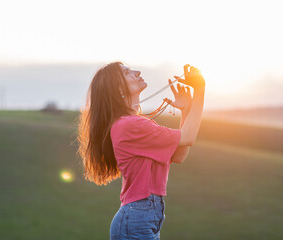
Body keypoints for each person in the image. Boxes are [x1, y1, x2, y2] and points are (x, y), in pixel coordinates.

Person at [78, 62, 205, 239]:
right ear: (117, 89)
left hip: (145, 217)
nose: (136, 72)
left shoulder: (132, 124)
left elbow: (179, 155)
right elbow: (188, 137)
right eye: (127, 72)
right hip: (138, 218)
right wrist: (200, 90)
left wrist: (185, 110)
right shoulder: (130, 125)